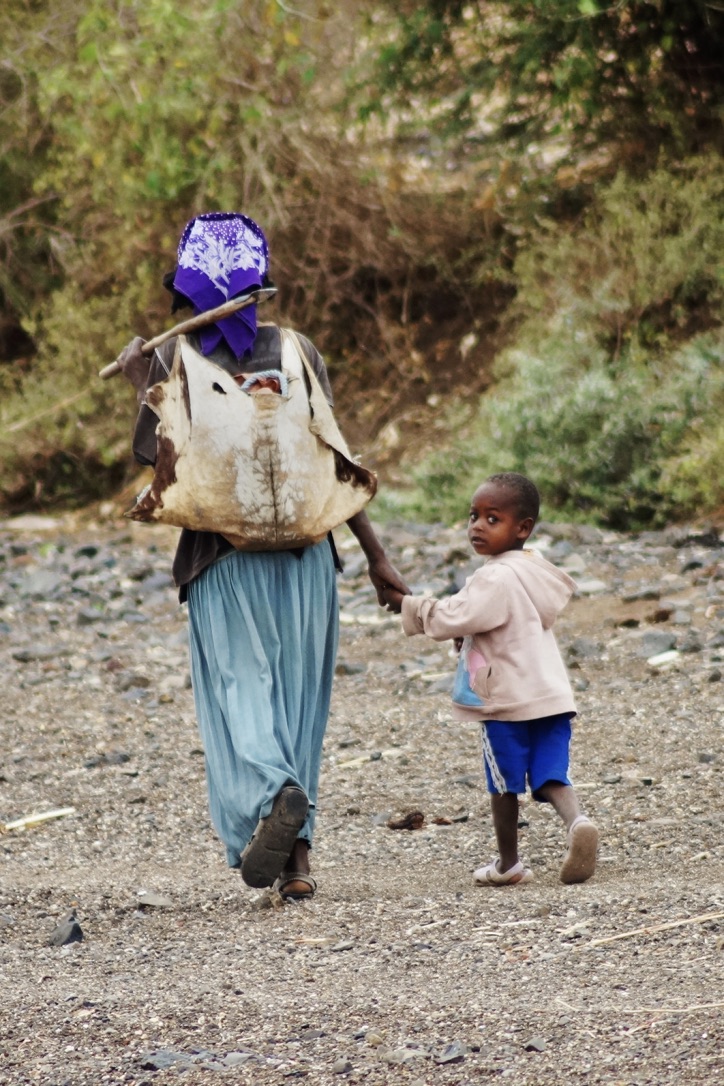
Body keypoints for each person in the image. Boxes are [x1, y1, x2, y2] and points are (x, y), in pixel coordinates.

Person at [116, 211, 410, 900]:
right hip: (310, 557)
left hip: (222, 561)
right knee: (297, 703)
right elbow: (333, 461)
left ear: (188, 298)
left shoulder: (174, 358)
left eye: (180, 301)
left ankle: (275, 796)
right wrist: (376, 557)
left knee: (243, 694)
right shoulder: (297, 350)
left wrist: (144, 384)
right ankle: (297, 863)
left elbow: (157, 461)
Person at [382, 472, 598, 886]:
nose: (477, 526)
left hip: (507, 702)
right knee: (552, 774)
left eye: (492, 518)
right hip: (551, 697)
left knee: (504, 783)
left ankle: (508, 864)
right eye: (473, 516)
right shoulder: (535, 571)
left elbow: (453, 616)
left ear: (523, 528)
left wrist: (407, 605)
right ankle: (578, 823)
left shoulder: (495, 576)